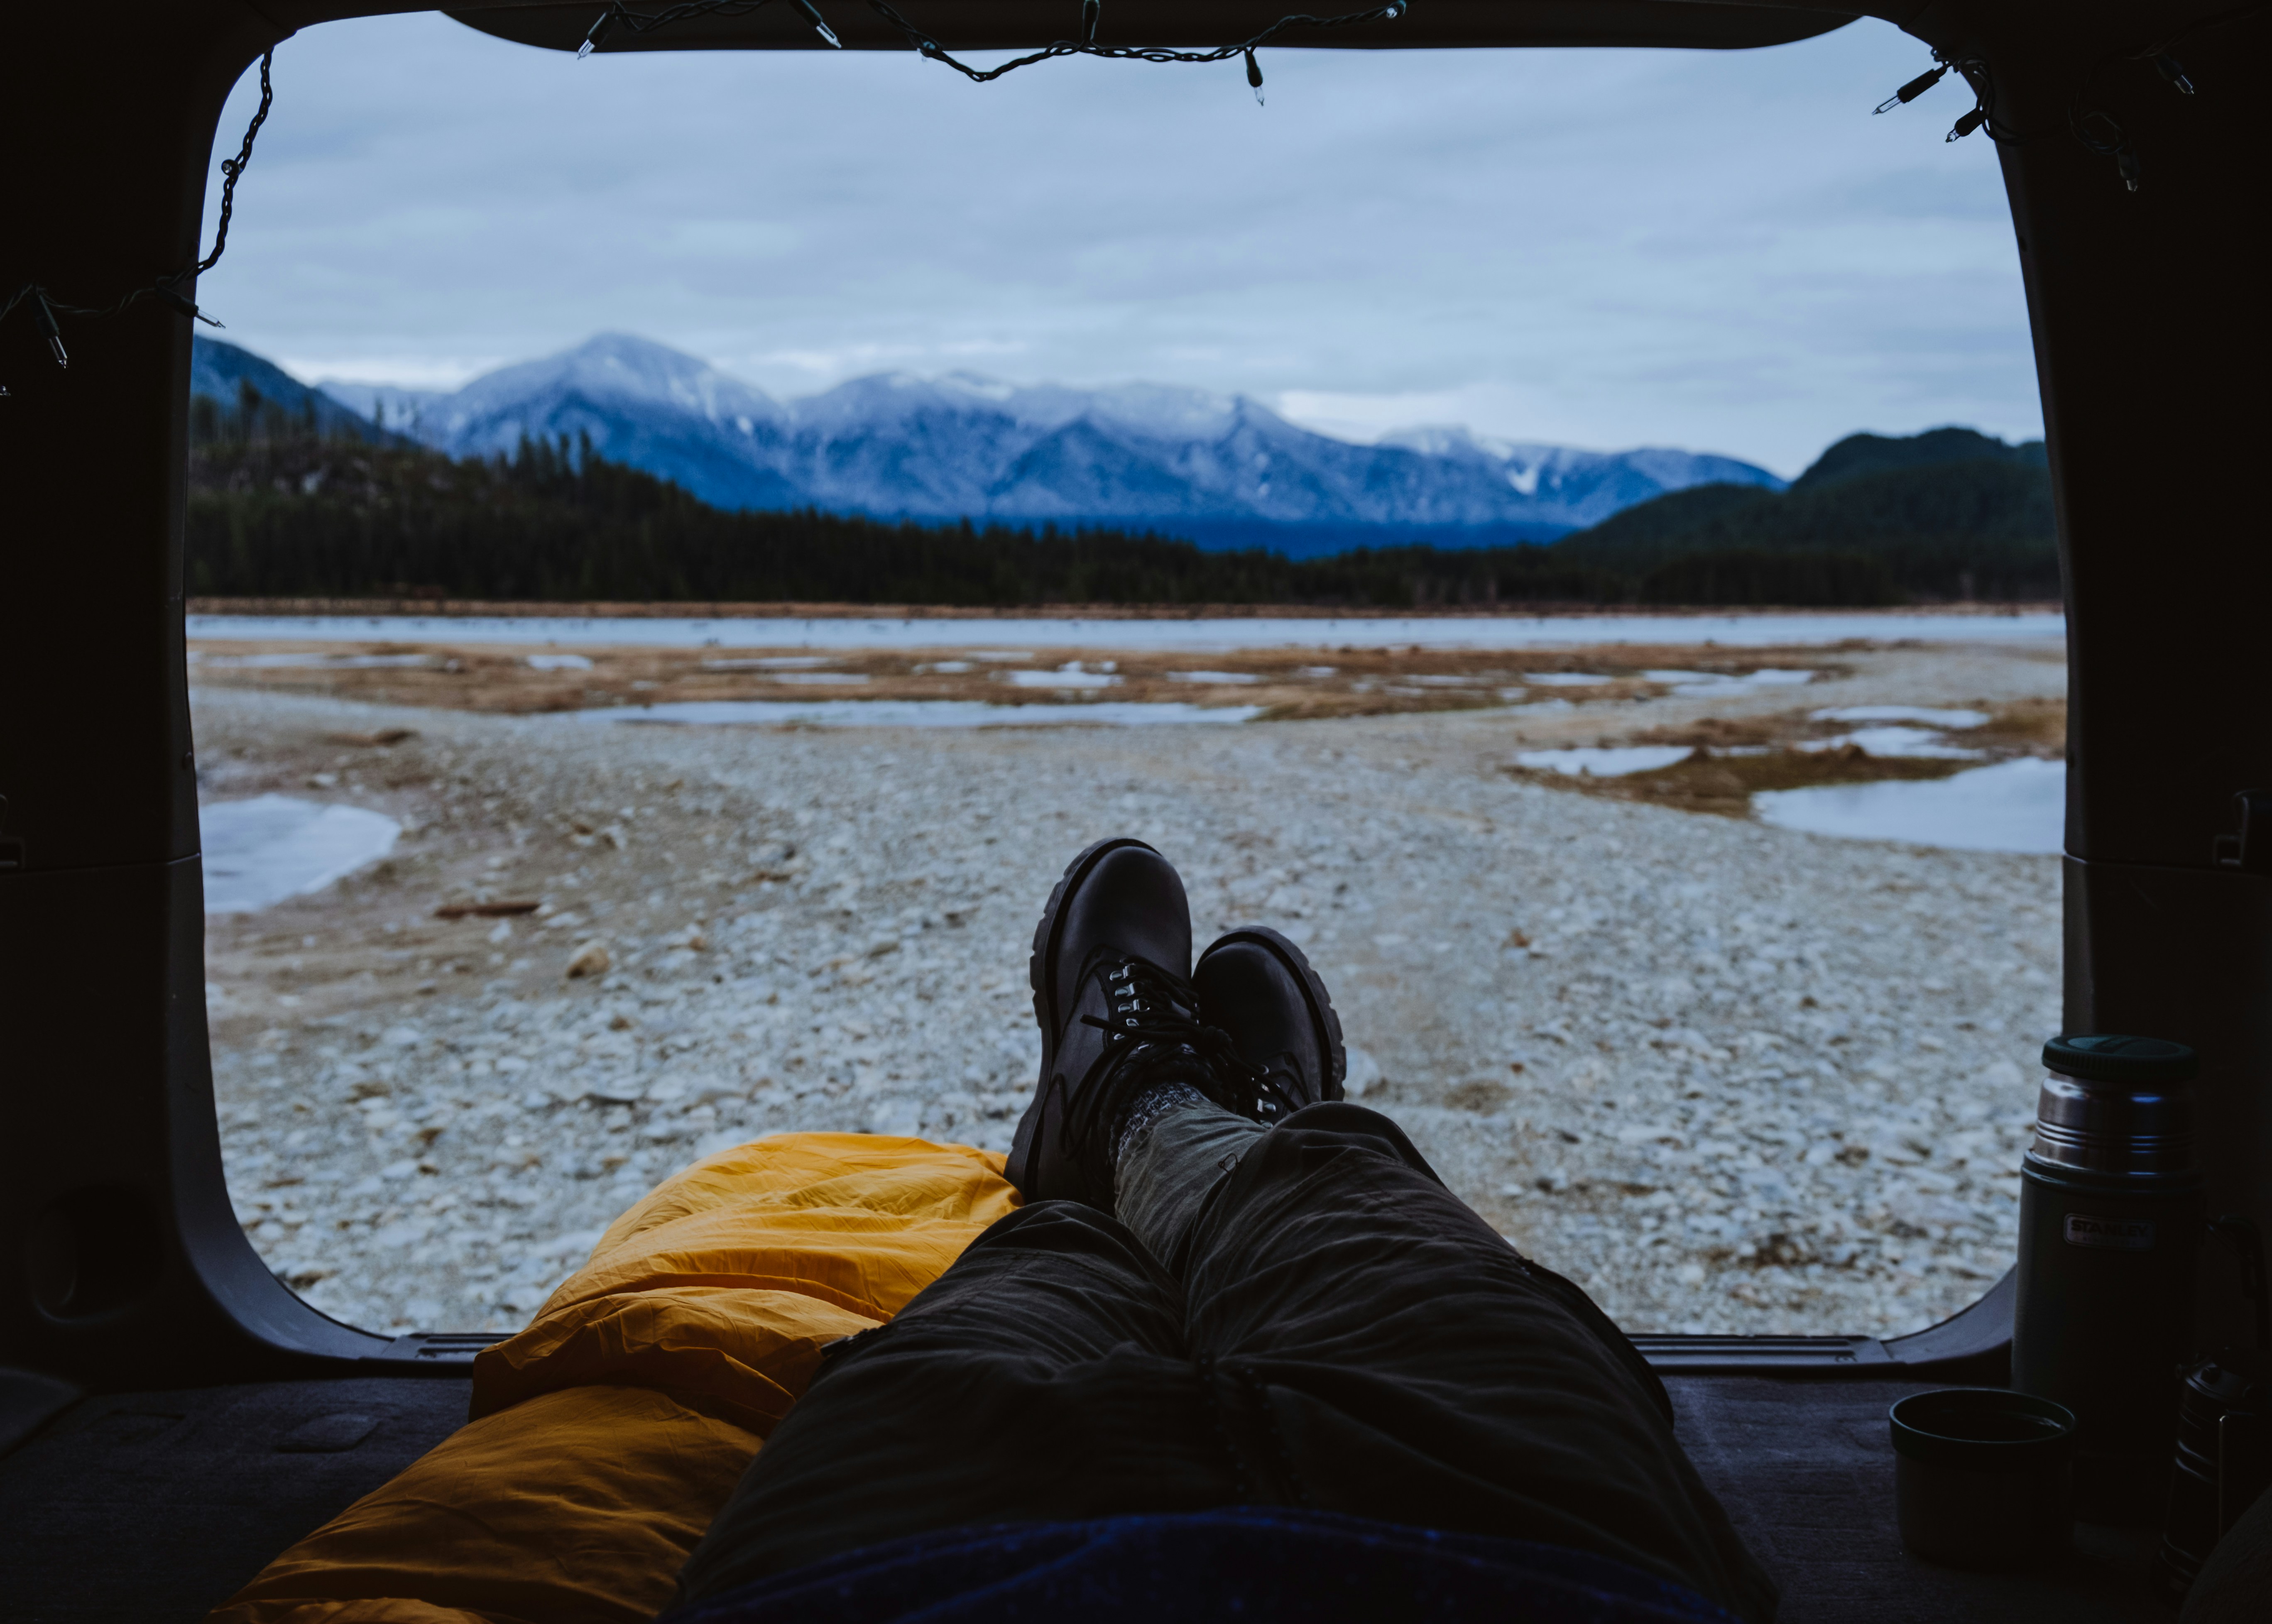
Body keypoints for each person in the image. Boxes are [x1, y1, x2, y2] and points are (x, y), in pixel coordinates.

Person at [663, 839, 1777, 1623]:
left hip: (898, 1569)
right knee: (1346, 1193)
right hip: (1533, 1562)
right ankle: (1219, 1137)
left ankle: (1117, 1128)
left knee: (1044, 1263)